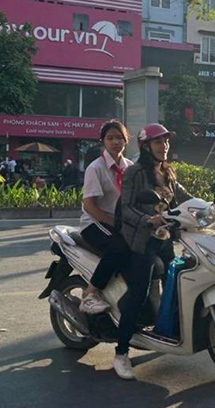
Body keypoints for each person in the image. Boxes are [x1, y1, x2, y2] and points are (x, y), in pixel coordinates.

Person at [115, 123, 193, 380]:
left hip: (165, 239)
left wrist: (206, 207)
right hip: (142, 241)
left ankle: (168, 330)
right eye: (158, 142)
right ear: (146, 146)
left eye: (166, 141)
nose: (164, 146)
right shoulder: (135, 173)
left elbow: (183, 198)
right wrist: (147, 220)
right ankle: (122, 353)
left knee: (179, 283)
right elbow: (126, 208)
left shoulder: (167, 171)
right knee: (139, 293)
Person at [79, 120, 133, 314]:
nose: (115, 142)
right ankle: (90, 294)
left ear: (126, 141)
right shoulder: (96, 168)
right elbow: (89, 205)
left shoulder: (130, 167)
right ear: (103, 141)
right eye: (110, 138)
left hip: (121, 223)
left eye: (119, 138)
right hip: (95, 223)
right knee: (118, 246)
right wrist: (115, 224)